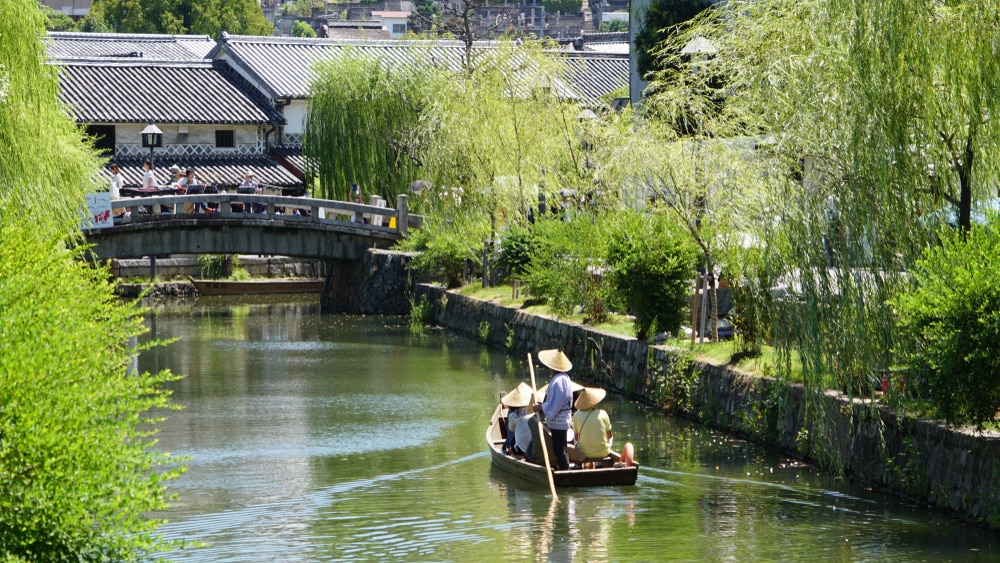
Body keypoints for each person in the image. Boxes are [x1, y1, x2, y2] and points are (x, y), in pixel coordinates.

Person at [532, 349, 574, 471]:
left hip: (559, 420)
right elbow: (555, 401)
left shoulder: (558, 381)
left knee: (559, 449)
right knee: (562, 447)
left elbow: (555, 403)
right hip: (563, 418)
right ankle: (565, 469)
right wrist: (545, 404)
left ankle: (565, 471)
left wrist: (541, 407)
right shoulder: (565, 378)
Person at [572, 387, 613, 460]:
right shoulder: (603, 413)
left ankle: (578, 466)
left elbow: (576, 438)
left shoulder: (576, 415)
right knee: (610, 434)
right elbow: (609, 436)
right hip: (603, 452)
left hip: (584, 453)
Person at [500, 382, 537, 457]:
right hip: (535, 449)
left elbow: (511, 432)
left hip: (520, 450)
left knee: (513, 431)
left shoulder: (513, 416)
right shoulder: (535, 413)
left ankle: (507, 446)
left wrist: (506, 445)